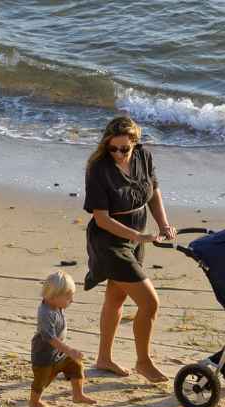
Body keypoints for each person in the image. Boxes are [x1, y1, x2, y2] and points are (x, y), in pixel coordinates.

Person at [81, 116, 174, 383]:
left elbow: (154, 193)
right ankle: (143, 362)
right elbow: (101, 218)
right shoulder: (98, 169)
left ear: (134, 142)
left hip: (135, 238)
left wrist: (164, 225)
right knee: (150, 303)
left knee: (115, 299)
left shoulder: (144, 157)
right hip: (109, 240)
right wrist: (138, 236)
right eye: (113, 148)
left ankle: (103, 359)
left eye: (124, 149)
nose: (119, 154)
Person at [30, 271, 96, 407]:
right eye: (68, 297)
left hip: (58, 353)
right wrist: (69, 350)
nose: (72, 300)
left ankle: (78, 395)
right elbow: (49, 338)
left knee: (76, 366)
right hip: (44, 356)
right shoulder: (45, 313)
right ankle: (34, 402)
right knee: (42, 381)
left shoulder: (56, 306)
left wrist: (67, 352)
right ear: (53, 296)